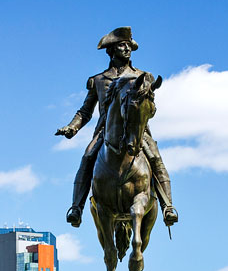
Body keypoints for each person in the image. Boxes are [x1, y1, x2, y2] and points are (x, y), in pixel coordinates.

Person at [56, 27, 178, 228]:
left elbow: (150, 108)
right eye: (122, 45)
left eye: (129, 46)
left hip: (137, 131)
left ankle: (168, 207)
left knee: (155, 158)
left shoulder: (143, 76)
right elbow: (85, 111)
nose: (127, 49)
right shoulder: (98, 80)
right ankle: (76, 208)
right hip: (106, 132)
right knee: (87, 157)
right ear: (111, 50)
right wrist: (72, 127)